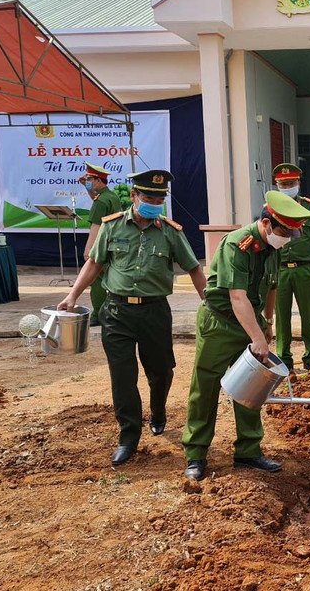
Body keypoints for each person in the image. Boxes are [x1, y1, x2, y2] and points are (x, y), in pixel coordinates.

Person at [58, 170, 206, 467]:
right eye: (149, 197)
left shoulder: (170, 231)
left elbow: (193, 268)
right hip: (117, 311)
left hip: (154, 311)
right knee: (123, 376)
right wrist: (73, 295)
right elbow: (94, 264)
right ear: (135, 196)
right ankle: (128, 436)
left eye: (159, 198)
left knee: (161, 370)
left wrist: (210, 303)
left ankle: (159, 410)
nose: (154, 202)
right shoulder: (112, 228)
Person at [181, 191, 310, 481]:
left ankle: (248, 451)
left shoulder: (273, 248)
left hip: (250, 322)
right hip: (220, 323)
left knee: (251, 387)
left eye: (292, 233)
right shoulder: (237, 245)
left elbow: (272, 287)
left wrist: (267, 323)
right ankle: (196, 454)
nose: (287, 238)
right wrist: (258, 339)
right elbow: (237, 298)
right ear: (266, 224)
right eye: (284, 232)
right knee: (205, 388)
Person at [272, 163, 310, 371]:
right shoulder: (269, 209)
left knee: (309, 315)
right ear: (277, 185)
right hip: (280, 270)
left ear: (298, 183)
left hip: (305, 268)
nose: (287, 187)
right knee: (282, 317)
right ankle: (284, 359)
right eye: (283, 184)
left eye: (290, 183)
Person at [78, 162, 122, 323]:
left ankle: (99, 315)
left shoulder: (101, 202)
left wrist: (89, 250)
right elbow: (95, 197)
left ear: (98, 180)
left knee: (96, 281)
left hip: (103, 246)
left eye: (89, 178)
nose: (86, 180)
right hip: (114, 244)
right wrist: (87, 187)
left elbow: (96, 226)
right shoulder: (110, 196)